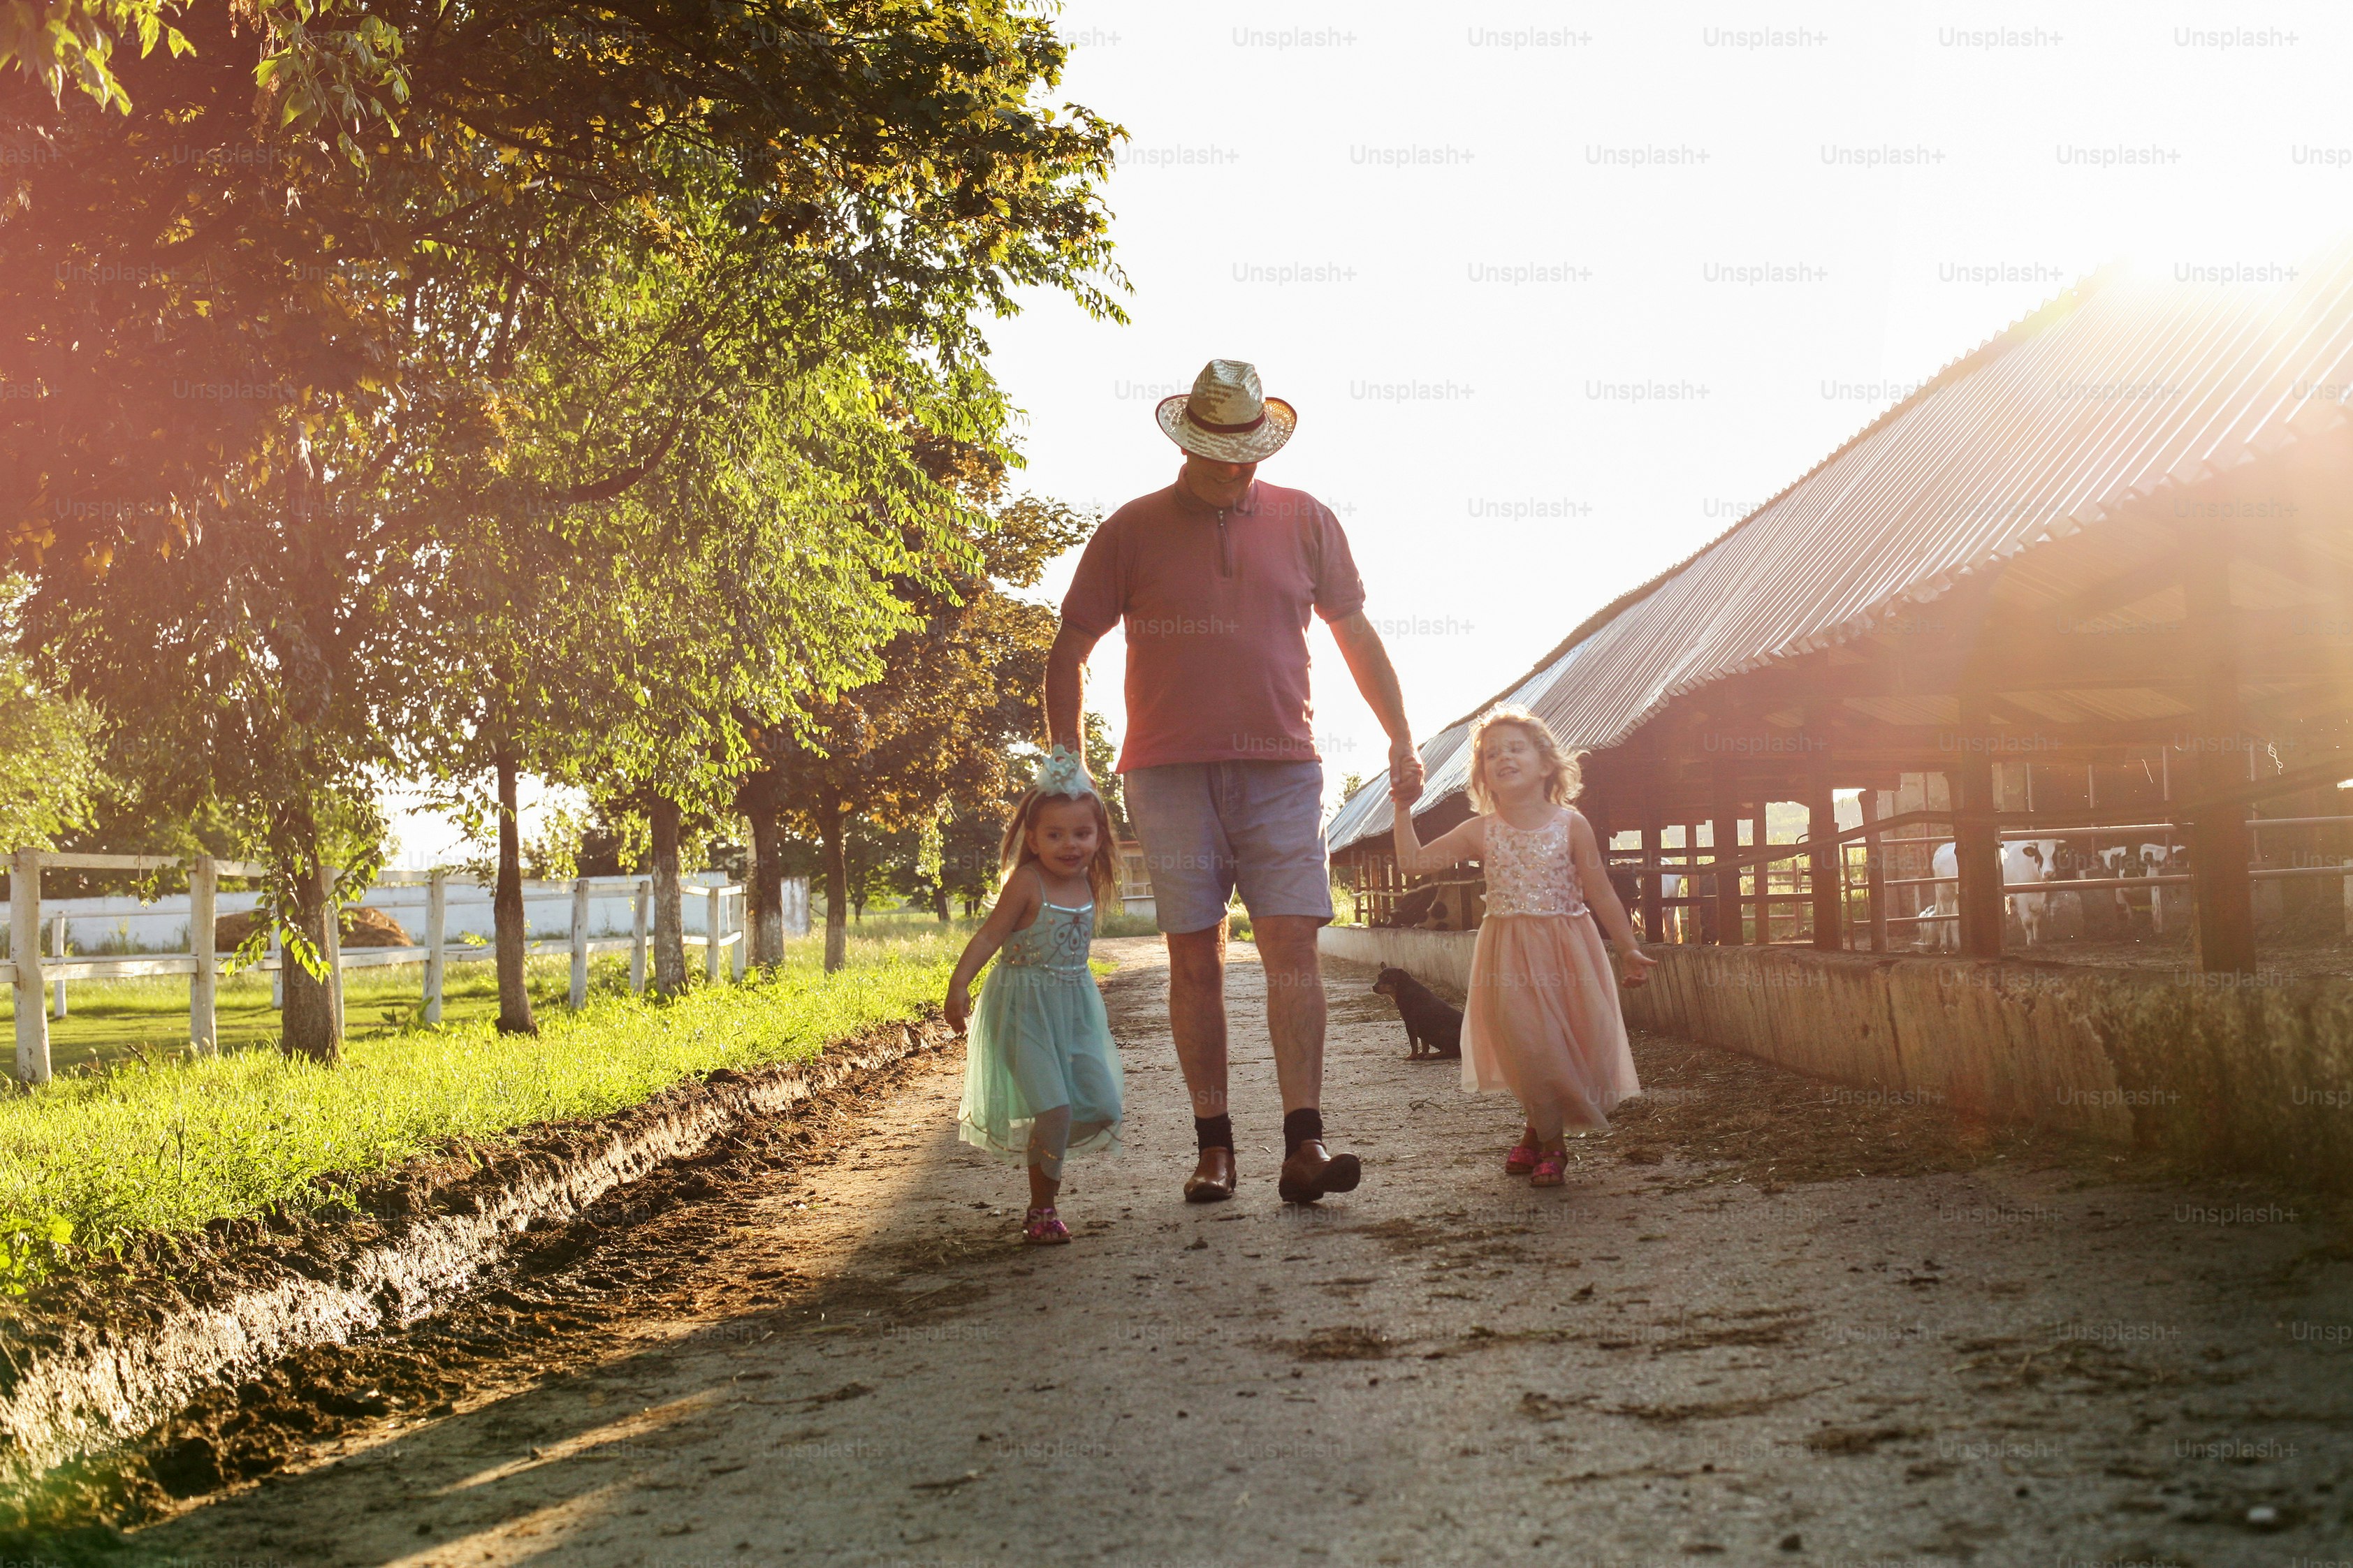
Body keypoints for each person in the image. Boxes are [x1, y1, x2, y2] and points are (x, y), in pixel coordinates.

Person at [1047, 358, 1425, 1205]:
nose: (1239, 466)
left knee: (1292, 947)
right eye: (1222, 450)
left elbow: (1355, 636)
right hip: (1166, 771)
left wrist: (1399, 733)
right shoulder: (1130, 530)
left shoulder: (1307, 520)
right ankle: (1212, 1146)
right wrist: (1065, 765)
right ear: (1187, 442)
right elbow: (1070, 646)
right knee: (1195, 957)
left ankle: (1304, 1143)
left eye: (1251, 450)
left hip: (1283, 768)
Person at [1390, 705, 1652, 1186]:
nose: (1503, 757)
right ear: (1482, 774)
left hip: (1567, 948)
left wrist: (1629, 948)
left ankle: (1538, 1135)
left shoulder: (1571, 824)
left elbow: (1601, 891)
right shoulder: (1480, 831)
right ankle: (1553, 1144)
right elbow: (1413, 862)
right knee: (1527, 1042)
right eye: (1491, 754)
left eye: (1516, 748)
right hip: (1506, 952)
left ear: (1546, 763)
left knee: (1554, 1043)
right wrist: (1402, 805)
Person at [947, 748, 1125, 1243]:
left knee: (1103, 1105)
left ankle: (1044, 1142)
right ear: (1032, 838)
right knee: (1055, 1109)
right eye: (1055, 834)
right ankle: (1042, 1210)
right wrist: (959, 984)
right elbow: (988, 936)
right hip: (1022, 1008)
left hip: (1074, 1009)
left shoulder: (1090, 881)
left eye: (1081, 833)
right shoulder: (1028, 882)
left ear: (1099, 836)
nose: (1069, 844)